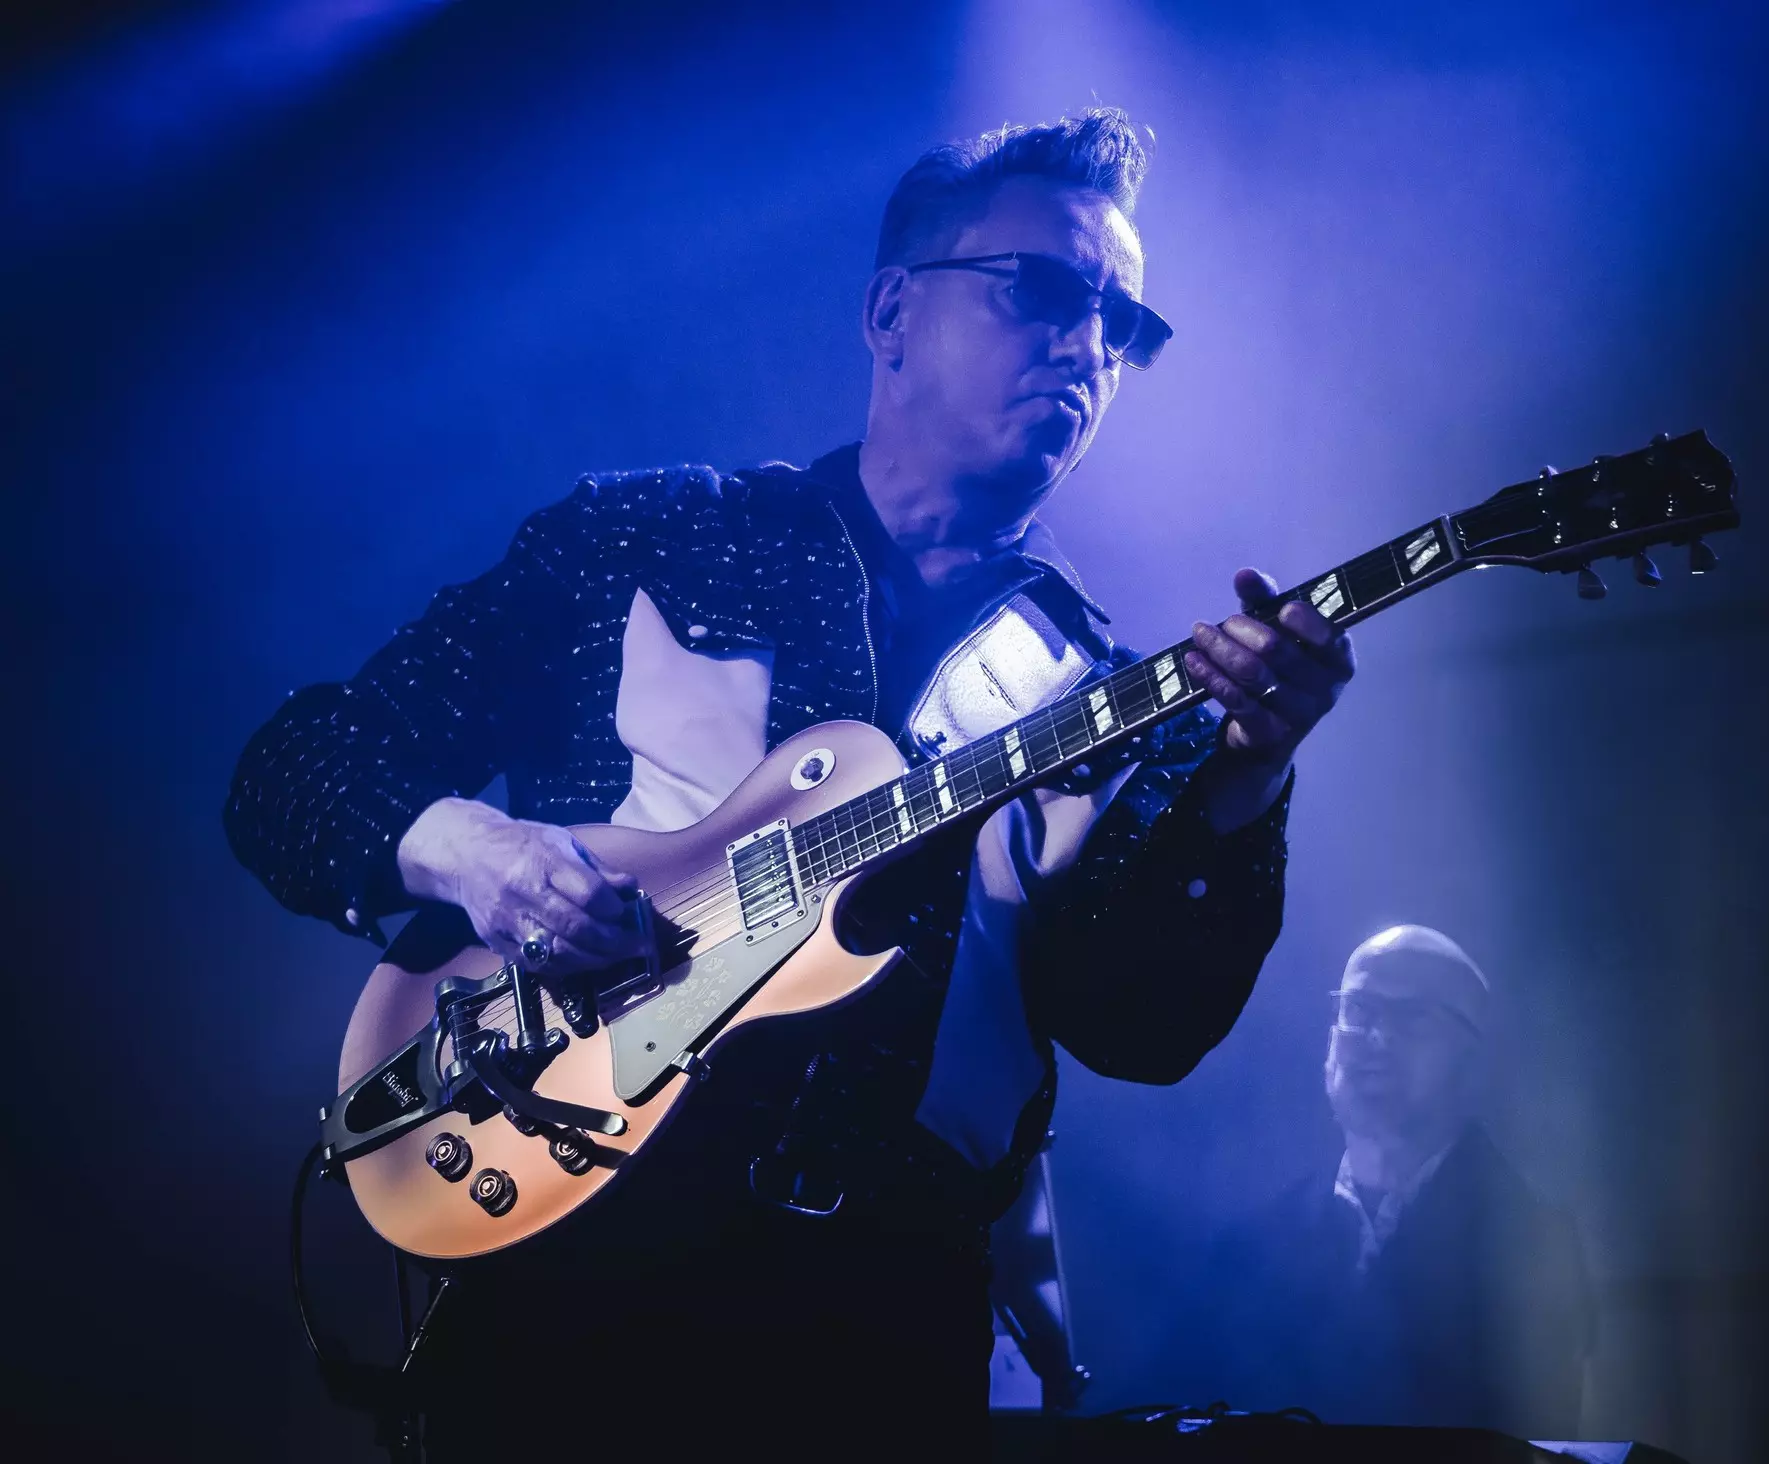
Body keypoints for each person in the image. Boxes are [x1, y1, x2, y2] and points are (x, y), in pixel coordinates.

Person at [225, 109, 1354, 1454]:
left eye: (1124, 324)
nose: (1086, 345)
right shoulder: (647, 536)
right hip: (567, 1281)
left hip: (877, 1329)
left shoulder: (1111, 698)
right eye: (1044, 288)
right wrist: (477, 855)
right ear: (890, 312)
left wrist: (1246, 778)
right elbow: (297, 773)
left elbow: (1142, 1027)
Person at [1192, 925, 1594, 1436]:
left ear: (1471, 1058)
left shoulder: (1530, 1247)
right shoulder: (1250, 1248)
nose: (1377, 1037)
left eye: (1412, 1016)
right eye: (1359, 1010)